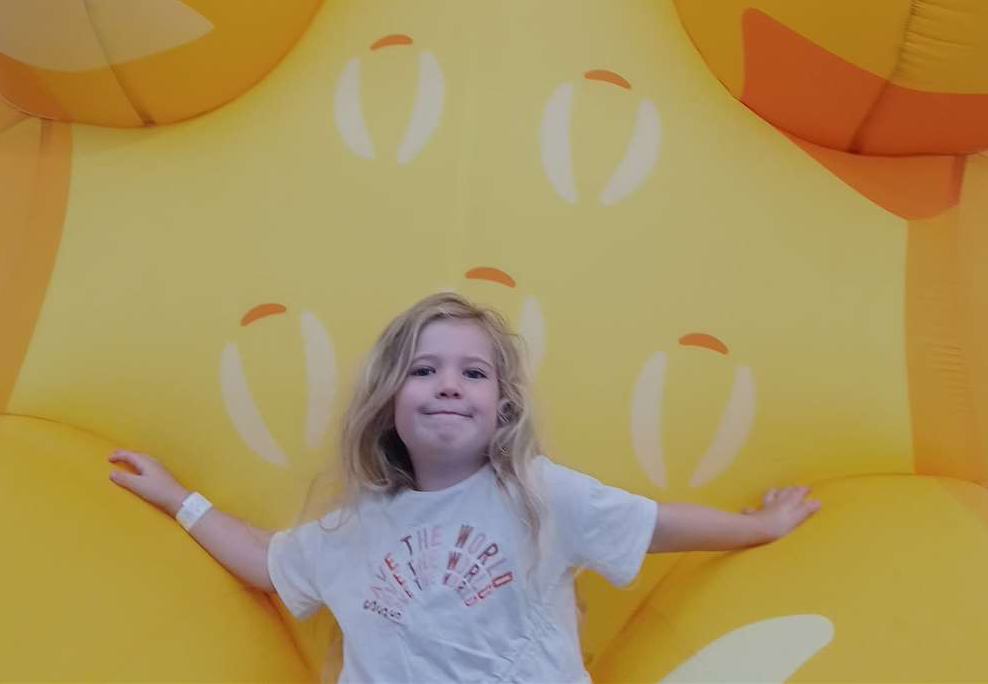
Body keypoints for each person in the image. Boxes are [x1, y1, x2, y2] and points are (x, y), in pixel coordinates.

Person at [108, 292, 821, 683]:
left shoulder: (537, 494)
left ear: (502, 406)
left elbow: (654, 524)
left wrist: (758, 527)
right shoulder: (356, 525)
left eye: (473, 373)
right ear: (388, 400)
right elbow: (268, 560)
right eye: (423, 370)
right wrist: (179, 498)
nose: (448, 383)